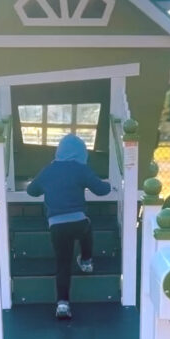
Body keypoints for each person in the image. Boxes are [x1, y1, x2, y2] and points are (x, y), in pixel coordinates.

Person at [26, 134, 111, 319]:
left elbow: (31, 191)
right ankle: (86, 261)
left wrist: (47, 186)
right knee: (87, 227)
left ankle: (63, 304)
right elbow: (101, 190)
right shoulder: (80, 169)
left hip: (56, 225)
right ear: (81, 153)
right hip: (78, 222)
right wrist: (109, 184)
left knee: (63, 264)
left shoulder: (48, 170)